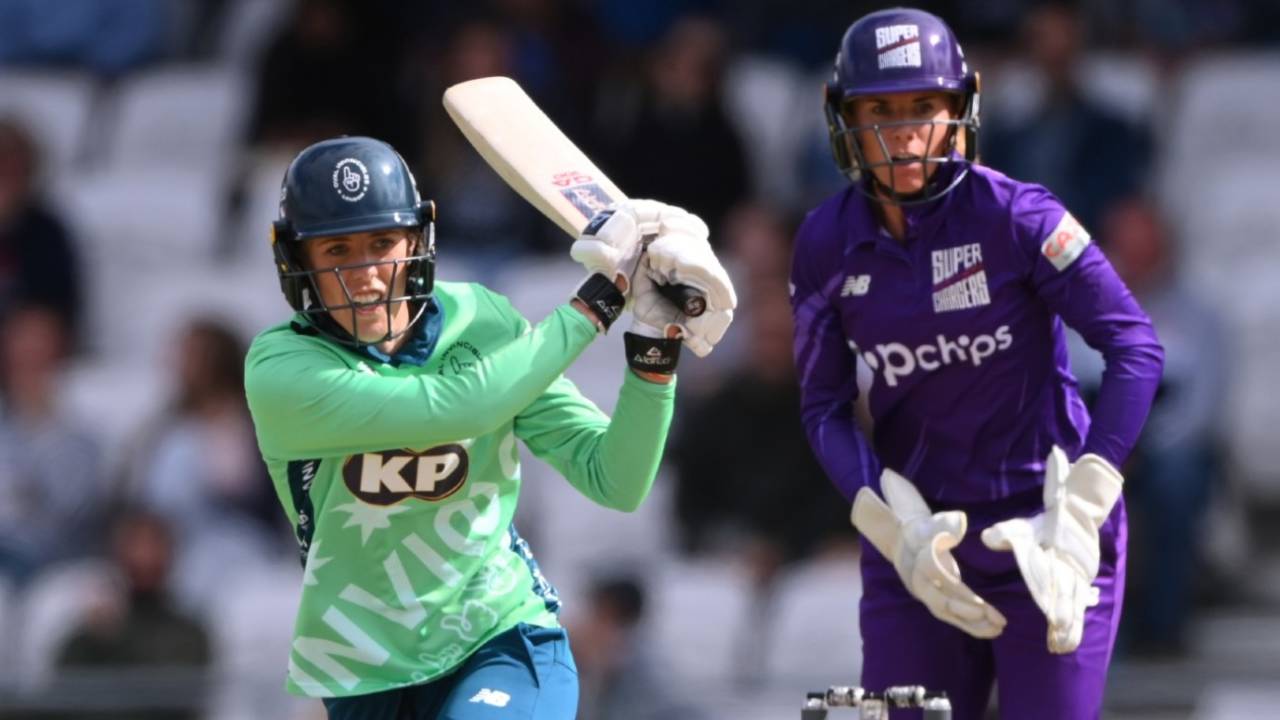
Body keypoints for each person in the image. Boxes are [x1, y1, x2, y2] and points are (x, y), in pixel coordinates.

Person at [243, 136, 735, 718]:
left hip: (499, 641)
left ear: (417, 241)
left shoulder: (482, 322)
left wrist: (657, 347)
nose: (366, 276)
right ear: (297, 260)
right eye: (337, 251)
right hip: (362, 672)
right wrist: (596, 303)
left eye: (382, 243)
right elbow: (452, 409)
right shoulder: (282, 369)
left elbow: (616, 479)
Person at [789, 9, 1164, 720]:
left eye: (923, 106)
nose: (902, 132)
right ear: (842, 115)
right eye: (879, 109)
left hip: (1047, 538)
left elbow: (1135, 349)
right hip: (921, 543)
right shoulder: (822, 243)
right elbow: (823, 407)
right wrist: (884, 518)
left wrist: (1086, 503)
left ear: (960, 109)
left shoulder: (1020, 217)